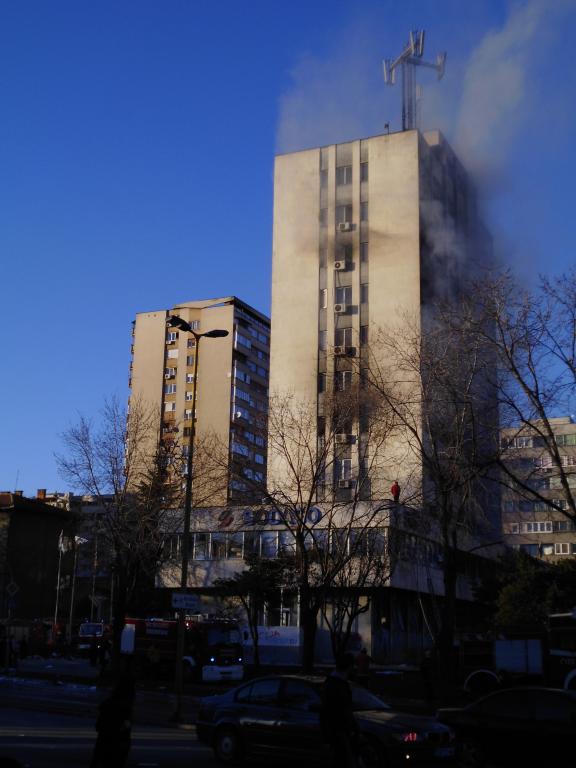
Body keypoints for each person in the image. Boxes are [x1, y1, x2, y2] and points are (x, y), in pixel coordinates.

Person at [321, 653, 358, 768]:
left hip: (339, 732)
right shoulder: (336, 685)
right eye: (353, 665)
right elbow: (329, 711)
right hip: (338, 733)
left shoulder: (335, 683)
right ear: (349, 666)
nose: (354, 668)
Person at [90, 673, 135, 768]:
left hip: (105, 737)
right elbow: (126, 726)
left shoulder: (109, 702)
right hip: (116, 741)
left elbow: (99, 723)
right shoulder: (125, 706)